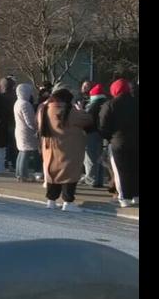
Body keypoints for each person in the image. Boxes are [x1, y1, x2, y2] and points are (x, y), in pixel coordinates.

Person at [39, 88, 92, 212]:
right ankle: (68, 202)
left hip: (50, 148)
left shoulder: (45, 110)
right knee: (69, 174)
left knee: (53, 174)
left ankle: (51, 201)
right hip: (68, 148)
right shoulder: (70, 111)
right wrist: (80, 109)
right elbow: (87, 120)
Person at [99, 77, 139, 207]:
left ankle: (124, 197)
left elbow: (103, 126)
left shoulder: (110, 105)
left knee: (121, 170)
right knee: (135, 168)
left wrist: (108, 137)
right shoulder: (136, 102)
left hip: (118, 142)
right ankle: (136, 195)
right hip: (136, 141)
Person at [82, 84, 109, 188]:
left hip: (91, 133)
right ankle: (99, 180)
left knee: (90, 157)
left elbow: (87, 120)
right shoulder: (106, 104)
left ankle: (91, 179)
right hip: (102, 134)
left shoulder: (93, 106)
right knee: (99, 158)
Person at [14, 83, 42, 183]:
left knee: (22, 152)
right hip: (26, 132)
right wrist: (37, 128)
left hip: (20, 131)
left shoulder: (18, 102)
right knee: (25, 153)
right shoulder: (25, 104)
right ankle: (23, 176)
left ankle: (19, 174)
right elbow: (29, 121)